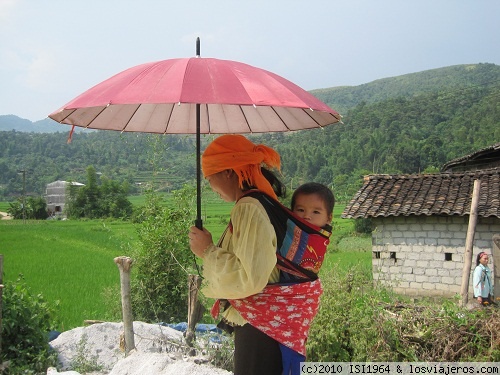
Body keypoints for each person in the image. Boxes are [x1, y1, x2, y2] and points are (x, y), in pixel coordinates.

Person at [188, 134, 286, 375]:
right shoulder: (261, 202)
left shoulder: (249, 208)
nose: (212, 189)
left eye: (210, 179)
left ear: (229, 173)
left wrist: (208, 251)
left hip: (258, 327)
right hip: (268, 324)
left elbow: (249, 277)